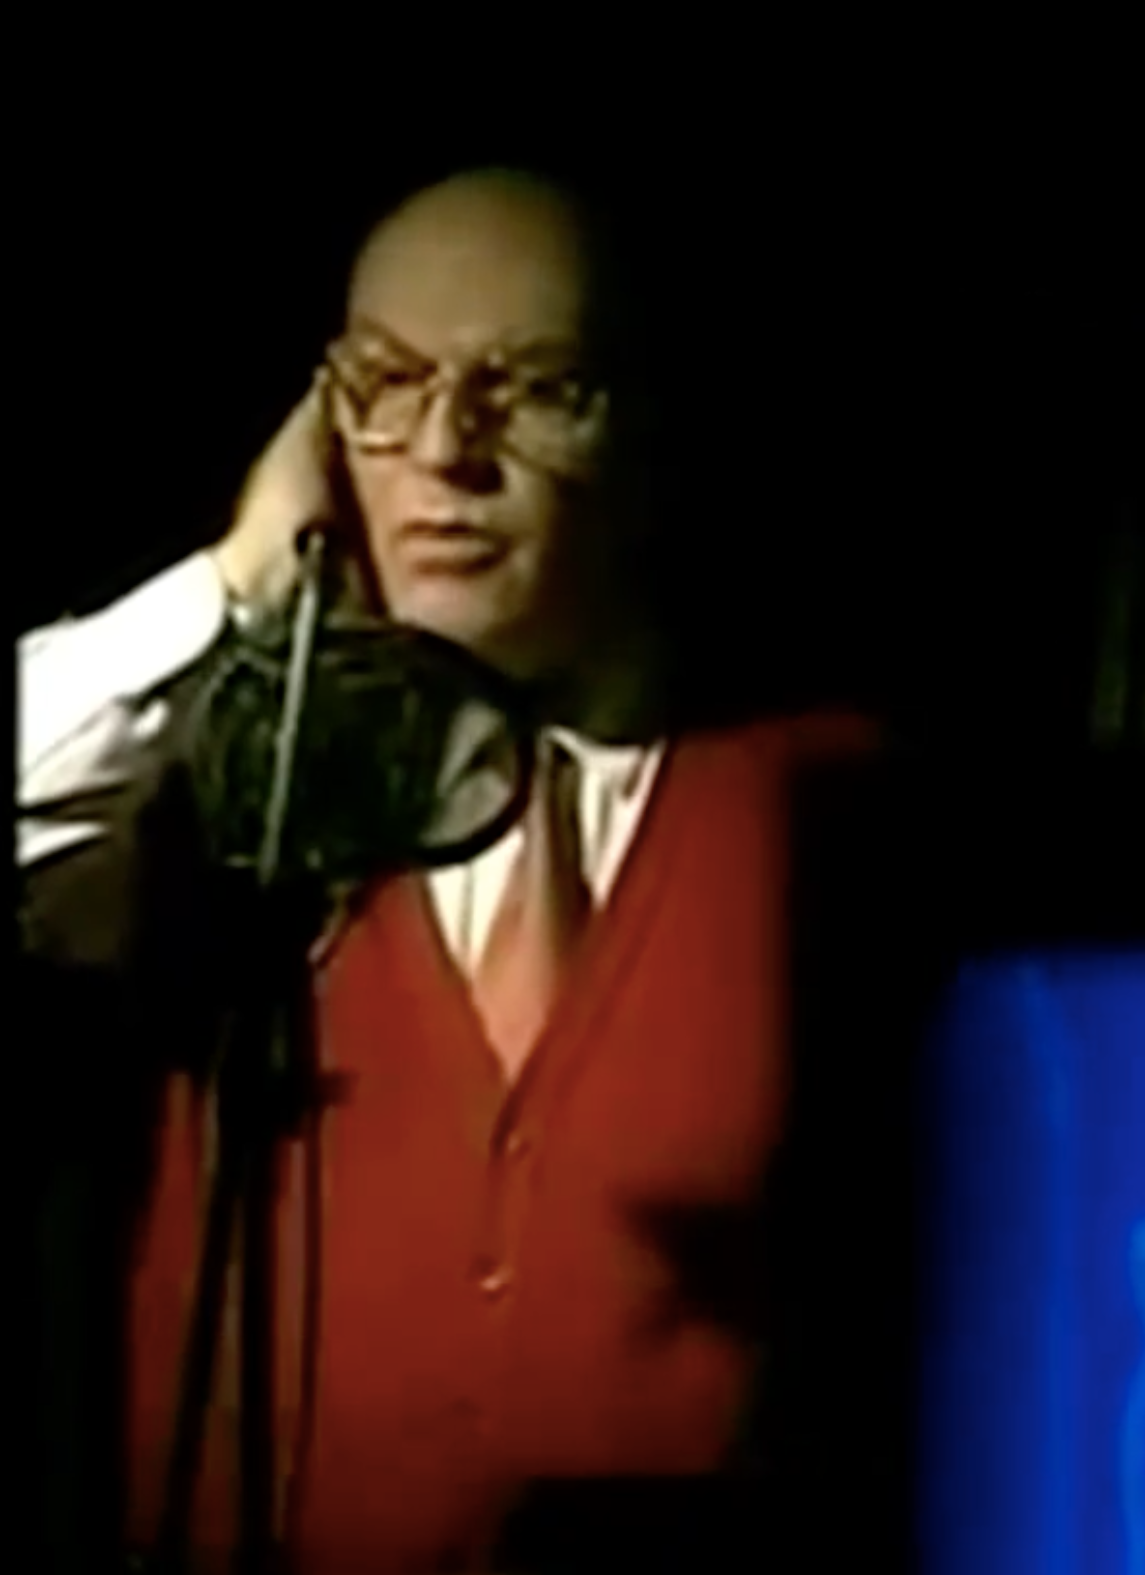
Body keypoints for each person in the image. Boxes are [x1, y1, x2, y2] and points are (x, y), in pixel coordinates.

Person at [18, 166, 876, 1574]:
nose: (445, 451)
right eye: (388, 383)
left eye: (535, 389)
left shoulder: (835, 802)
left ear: (648, 436)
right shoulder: (223, 780)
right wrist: (238, 575)